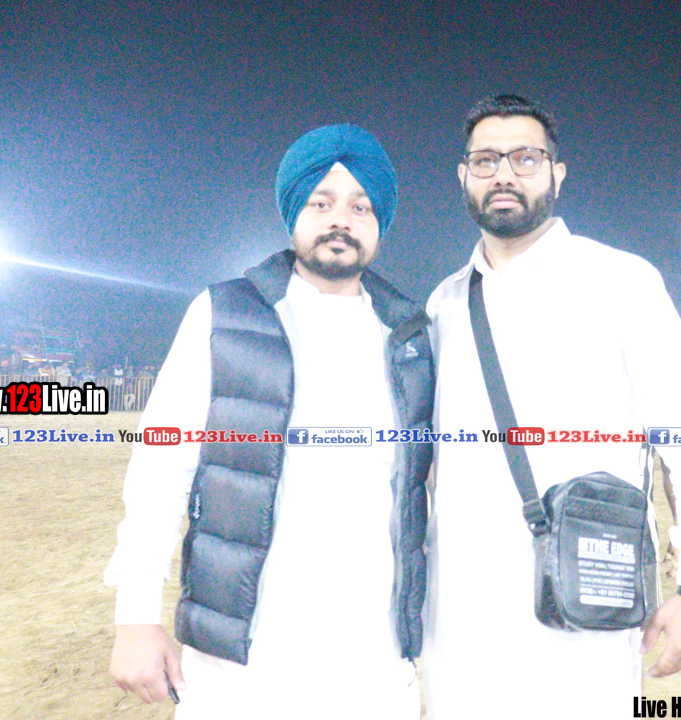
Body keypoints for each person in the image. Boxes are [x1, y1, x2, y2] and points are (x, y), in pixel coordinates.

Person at [422, 94, 681, 720]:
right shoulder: (445, 304)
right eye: (486, 161)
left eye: (525, 158)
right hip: (459, 620)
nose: (504, 174)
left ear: (556, 172)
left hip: (584, 610)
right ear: (463, 176)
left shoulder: (621, 282)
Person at [104, 125, 434, 717]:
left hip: (372, 664)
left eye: (360, 207)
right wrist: (135, 616)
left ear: (379, 222)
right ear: (293, 213)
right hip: (241, 666)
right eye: (321, 203)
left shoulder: (410, 336)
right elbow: (161, 469)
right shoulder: (225, 314)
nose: (341, 220)